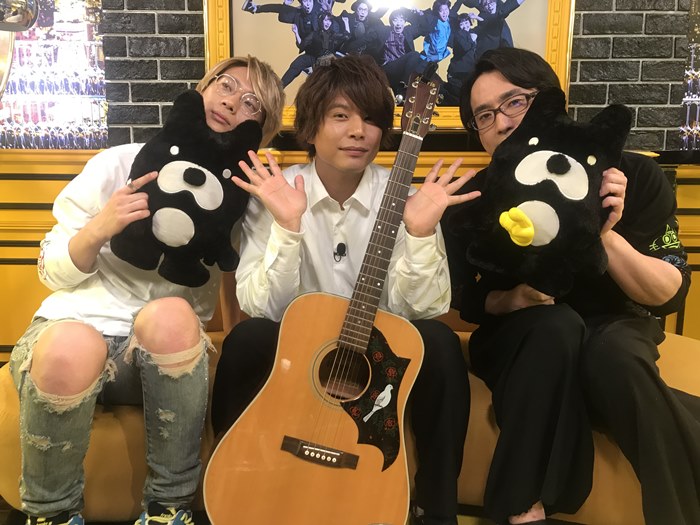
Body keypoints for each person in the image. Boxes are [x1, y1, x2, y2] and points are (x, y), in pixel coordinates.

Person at [8, 55, 285, 525]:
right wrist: (100, 227)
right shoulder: (120, 162)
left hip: (166, 357)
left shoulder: (246, 197)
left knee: (172, 315)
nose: (231, 102)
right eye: (226, 85)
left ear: (262, 129)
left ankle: (169, 508)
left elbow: (256, 297)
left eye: (251, 102)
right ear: (204, 88)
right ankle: (50, 513)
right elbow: (52, 273)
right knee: (75, 341)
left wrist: (286, 222)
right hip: (68, 341)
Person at [210, 54, 480, 525]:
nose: (359, 131)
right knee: (247, 340)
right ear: (310, 126)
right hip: (297, 356)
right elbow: (260, 306)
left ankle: (437, 510)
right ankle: (235, 488)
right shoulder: (275, 191)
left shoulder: (408, 197)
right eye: (340, 115)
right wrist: (288, 226)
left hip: (376, 360)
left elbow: (425, 309)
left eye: (371, 119)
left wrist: (419, 233)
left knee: (439, 343)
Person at [442, 46, 700, 525]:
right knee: (555, 326)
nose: (503, 122)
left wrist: (602, 232)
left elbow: (669, 293)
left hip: (615, 327)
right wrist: (511, 299)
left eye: (515, 102)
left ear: (549, 103)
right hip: (523, 334)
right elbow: (464, 297)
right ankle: (523, 507)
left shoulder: (632, 175)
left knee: (614, 358)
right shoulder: (474, 197)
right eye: (484, 115)